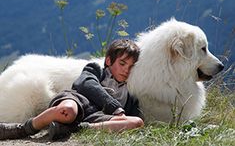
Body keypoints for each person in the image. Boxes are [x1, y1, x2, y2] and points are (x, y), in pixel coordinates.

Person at [0, 39, 144, 141]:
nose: (126, 70)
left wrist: (124, 119)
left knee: (137, 122)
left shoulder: (130, 90)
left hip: (96, 117)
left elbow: (132, 114)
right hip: (78, 101)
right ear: (108, 61)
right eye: (122, 63)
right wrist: (114, 106)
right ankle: (22, 129)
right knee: (67, 111)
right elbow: (85, 84)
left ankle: (75, 128)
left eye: (131, 67)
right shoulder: (96, 69)